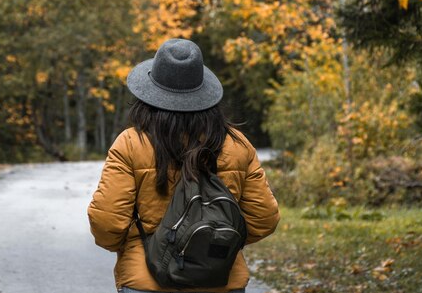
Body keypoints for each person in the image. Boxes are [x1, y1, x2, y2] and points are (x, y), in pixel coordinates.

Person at [88, 38, 280, 293]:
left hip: (146, 281)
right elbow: (264, 218)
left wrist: (135, 243)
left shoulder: (130, 144)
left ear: (148, 93)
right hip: (221, 280)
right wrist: (213, 245)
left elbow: (106, 224)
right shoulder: (237, 144)